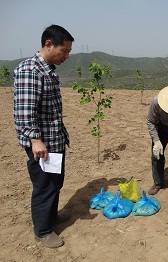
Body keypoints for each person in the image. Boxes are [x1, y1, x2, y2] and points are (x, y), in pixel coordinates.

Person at [13, 24, 74, 248]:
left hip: (54, 140)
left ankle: (51, 215)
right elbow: (24, 111)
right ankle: (43, 230)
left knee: (55, 183)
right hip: (42, 144)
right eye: (64, 51)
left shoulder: (47, 70)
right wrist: (35, 140)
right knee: (45, 186)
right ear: (48, 44)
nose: (66, 56)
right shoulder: (31, 71)